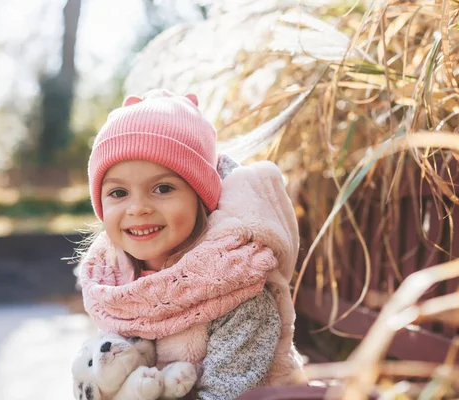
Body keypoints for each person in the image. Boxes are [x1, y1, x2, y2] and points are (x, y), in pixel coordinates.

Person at [76, 89, 305, 400]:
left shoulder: (234, 287)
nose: (137, 208)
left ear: (201, 198)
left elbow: (230, 392)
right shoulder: (116, 287)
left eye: (163, 188)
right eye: (118, 193)